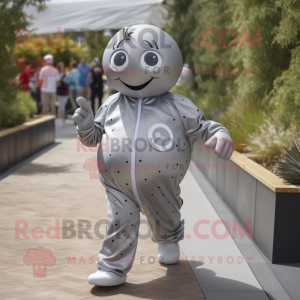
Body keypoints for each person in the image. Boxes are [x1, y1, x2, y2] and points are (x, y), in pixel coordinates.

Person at [73, 24, 234, 287]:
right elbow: (93, 138)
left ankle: (169, 236)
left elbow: (204, 126)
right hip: (116, 183)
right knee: (119, 220)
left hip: (162, 182)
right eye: (121, 59)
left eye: (150, 58)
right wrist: (86, 126)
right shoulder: (111, 104)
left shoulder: (176, 103)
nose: (131, 69)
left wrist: (220, 134)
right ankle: (112, 267)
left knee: (165, 213)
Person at [56, 62, 69, 126]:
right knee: (60, 106)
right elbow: (57, 84)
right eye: (60, 67)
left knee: (63, 106)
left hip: (65, 92)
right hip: (59, 92)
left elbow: (67, 84)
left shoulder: (66, 75)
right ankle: (60, 119)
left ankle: (62, 119)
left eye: (62, 66)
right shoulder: (57, 75)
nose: (62, 68)